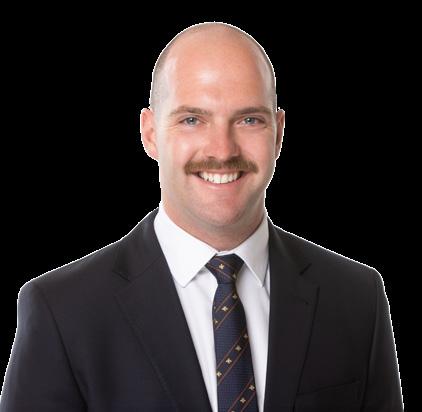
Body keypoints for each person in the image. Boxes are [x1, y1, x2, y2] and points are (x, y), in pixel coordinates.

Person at [0, 22, 403, 411]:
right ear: (150, 133)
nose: (222, 150)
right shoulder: (62, 311)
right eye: (192, 119)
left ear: (279, 132)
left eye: (249, 119)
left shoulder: (356, 298)